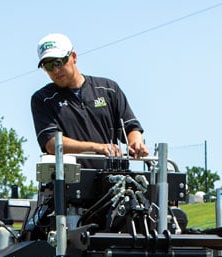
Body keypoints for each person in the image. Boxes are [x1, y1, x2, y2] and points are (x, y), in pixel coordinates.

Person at [30, 33, 149, 161]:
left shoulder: (109, 89)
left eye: (59, 62)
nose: (55, 70)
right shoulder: (43, 99)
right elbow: (52, 143)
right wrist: (97, 148)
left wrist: (136, 142)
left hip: (113, 176)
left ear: (74, 57)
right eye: (48, 66)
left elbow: (130, 126)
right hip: (67, 179)